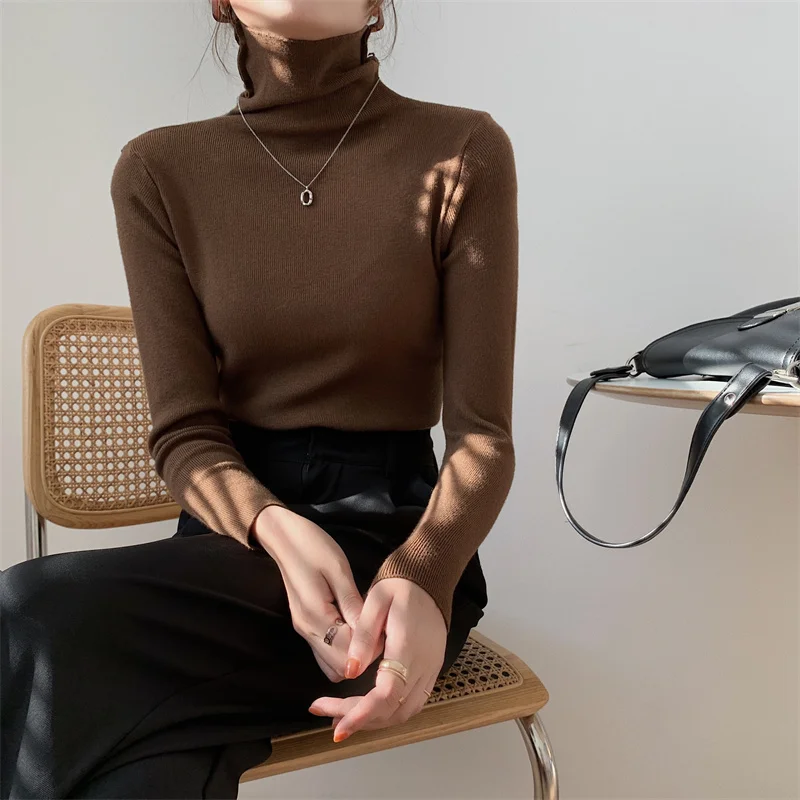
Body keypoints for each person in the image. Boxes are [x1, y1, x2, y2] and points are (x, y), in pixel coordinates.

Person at [0, 0, 519, 796]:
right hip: (231, 545)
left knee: (31, 615)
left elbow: (484, 437)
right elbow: (185, 431)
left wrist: (425, 573)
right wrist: (273, 528)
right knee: (137, 759)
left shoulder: (462, 150)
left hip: (392, 557)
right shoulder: (158, 170)